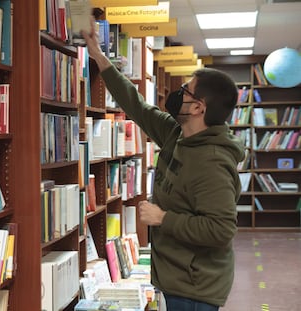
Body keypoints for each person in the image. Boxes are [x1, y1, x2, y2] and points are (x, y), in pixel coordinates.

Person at [82, 21, 245, 311]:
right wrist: (99, 56)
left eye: (186, 90)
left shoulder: (213, 163)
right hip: (173, 276)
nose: (179, 93)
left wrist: (162, 218)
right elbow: (137, 107)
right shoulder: (177, 132)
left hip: (195, 289)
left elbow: (220, 230)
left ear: (198, 108)